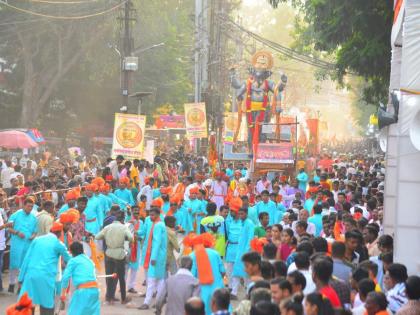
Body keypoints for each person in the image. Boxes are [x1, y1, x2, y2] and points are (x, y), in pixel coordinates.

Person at [18, 222, 71, 315]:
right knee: (47, 305)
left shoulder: (37, 240)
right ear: (60, 233)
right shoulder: (59, 244)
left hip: (31, 276)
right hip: (46, 278)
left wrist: (20, 278)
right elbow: (69, 259)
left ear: (50, 230)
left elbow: (27, 259)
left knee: (28, 304)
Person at [95, 211, 133, 305]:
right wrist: (126, 239)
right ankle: (123, 298)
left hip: (108, 253)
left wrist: (107, 238)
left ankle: (109, 298)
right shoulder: (124, 227)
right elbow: (131, 238)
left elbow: (97, 236)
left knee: (110, 276)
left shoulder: (107, 227)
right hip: (119, 254)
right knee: (121, 277)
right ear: (123, 219)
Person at [187, 233, 225, 315]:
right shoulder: (215, 253)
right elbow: (223, 271)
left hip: (201, 290)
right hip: (217, 288)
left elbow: (191, 275)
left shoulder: (192, 255)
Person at [138, 207, 168, 310]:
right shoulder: (160, 224)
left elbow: (157, 242)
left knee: (151, 279)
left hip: (157, 255)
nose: (151, 217)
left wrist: (153, 257)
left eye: (153, 215)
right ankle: (158, 302)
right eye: (150, 215)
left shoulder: (158, 225)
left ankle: (147, 303)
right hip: (161, 255)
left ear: (158, 215)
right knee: (160, 279)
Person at [7, 197, 38, 293]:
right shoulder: (15, 215)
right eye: (28, 206)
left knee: (25, 266)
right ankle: (11, 284)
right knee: (14, 264)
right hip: (17, 244)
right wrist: (17, 232)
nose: (30, 208)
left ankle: (21, 286)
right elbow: (8, 228)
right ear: (24, 205)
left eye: (32, 207)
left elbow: (35, 231)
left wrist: (32, 236)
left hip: (28, 245)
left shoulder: (34, 217)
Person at [61, 241, 100, 315]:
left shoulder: (73, 261)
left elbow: (65, 278)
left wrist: (63, 294)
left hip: (83, 291)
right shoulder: (89, 260)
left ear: (71, 252)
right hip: (95, 291)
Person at [232, 207, 255, 297]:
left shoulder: (249, 224)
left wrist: (246, 252)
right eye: (239, 214)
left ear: (246, 214)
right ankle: (234, 292)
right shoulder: (242, 223)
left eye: (242, 214)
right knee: (236, 272)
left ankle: (248, 293)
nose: (240, 215)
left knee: (247, 273)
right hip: (239, 251)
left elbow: (250, 239)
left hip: (245, 252)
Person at [126, 206, 142, 293]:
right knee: (125, 267)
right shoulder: (128, 219)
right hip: (128, 246)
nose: (136, 212)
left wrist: (139, 237)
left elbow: (142, 234)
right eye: (135, 210)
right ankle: (122, 286)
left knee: (134, 268)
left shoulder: (141, 222)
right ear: (132, 211)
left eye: (138, 211)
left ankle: (131, 286)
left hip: (137, 246)